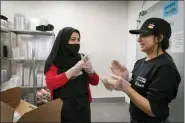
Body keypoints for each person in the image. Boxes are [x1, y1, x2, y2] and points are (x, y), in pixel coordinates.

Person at [101, 18, 181, 123]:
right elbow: (139, 89)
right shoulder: (140, 62)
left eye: (144, 35)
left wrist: (125, 88)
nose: (138, 39)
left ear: (159, 38)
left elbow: (154, 110)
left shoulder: (165, 68)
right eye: (139, 35)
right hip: (135, 118)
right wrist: (126, 79)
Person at [44, 27, 99, 123]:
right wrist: (70, 73)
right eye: (72, 40)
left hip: (83, 105)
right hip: (63, 107)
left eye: (78, 40)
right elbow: (50, 83)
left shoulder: (81, 57)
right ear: (63, 41)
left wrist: (91, 72)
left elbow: (95, 81)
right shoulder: (54, 61)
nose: (76, 43)